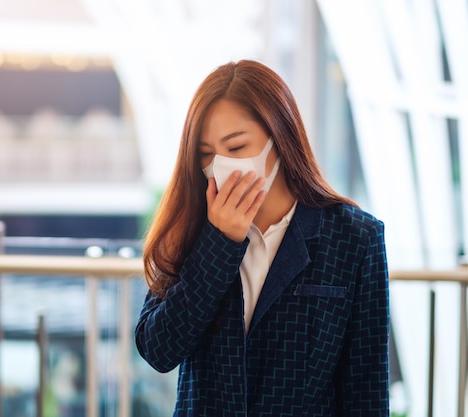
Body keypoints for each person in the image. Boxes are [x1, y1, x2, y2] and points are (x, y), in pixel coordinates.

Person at [134, 59, 389, 416]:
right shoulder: (193, 228)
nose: (220, 164)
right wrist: (220, 242)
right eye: (206, 154)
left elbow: (366, 391)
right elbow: (159, 350)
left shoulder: (355, 238)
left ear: (280, 138)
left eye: (236, 148)